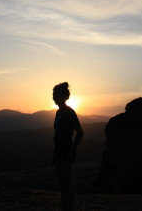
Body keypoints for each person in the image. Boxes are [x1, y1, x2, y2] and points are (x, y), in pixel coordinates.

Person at [52, 82, 83, 211]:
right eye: (53, 95)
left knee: (65, 183)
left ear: (64, 96)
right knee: (61, 182)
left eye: (56, 94)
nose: (54, 97)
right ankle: (66, 206)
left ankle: (68, 207)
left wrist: (72, 150)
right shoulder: (58, 112)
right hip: (59, 149)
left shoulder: (69, 113)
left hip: (66, 149)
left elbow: (80, 132)